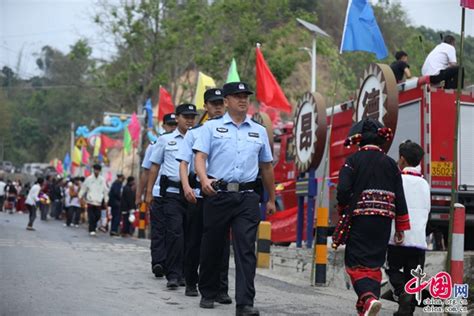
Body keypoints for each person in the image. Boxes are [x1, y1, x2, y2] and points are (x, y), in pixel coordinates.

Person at [193, 82, 276, 315]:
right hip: (217, 194)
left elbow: (267, 167)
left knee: (246, 249)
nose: (242, 100)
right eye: (237, 96)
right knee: (212, 245)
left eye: (245, 96)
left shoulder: (258, 131)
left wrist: (271, 198)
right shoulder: (211, 128)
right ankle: (208, 291)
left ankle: (245, 303)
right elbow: (200, 157)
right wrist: (203, 179)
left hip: (248, 197)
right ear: (226, 101)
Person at [336, 118, 410, 316]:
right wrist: (401, 227)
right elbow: (400, 197)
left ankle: (368, 298)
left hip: (360, 219)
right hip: (384, 222)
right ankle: (367, 305)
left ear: (359, 140)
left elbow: (342, 191)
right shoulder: (391, 164)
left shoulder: (352, 162)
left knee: (356, 262)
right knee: (374, 262)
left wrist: (344, 208)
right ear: (380, 140)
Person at [176, 88, 231, 301]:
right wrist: (186, 188)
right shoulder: (196, 132)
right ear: (205, 106)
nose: (217, 107)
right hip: (198, 194)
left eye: (220, 103)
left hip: (221, 196)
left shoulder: (233, 129)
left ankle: (221, 289)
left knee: (222, 244)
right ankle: (191, 280)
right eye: (213, 103)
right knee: (196, 241)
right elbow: (184, 163)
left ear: (226, 103)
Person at [146, 103, 198, 289]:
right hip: (172, 195)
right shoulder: (165, 140)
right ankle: (173, 275)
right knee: (175, 233)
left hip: (193, 194)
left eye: (193, 116)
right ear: (177, 118)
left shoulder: (200, 138)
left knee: (190, 235)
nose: (190, 120)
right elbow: (154, 167)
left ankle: (186, 273)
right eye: (186, 116)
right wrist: (149, 192)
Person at [386, 141, 430, 316]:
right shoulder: (424, 184)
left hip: (398, 235)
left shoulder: (396, 180)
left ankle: (402, 292)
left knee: (393, 269)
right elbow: (427, 210)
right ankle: (406, 309)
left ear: (402, 159)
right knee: (414, 275)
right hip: (418, 239)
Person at [79, 164, 109, 236]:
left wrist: (106, 200)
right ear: (93, 170)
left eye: (98, 170)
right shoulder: (89, 179)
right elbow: (84, 188)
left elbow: (105, 191)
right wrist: (80, 196)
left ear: (99, 171)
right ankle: (91, 229)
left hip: (98, 202)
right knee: (91, 216)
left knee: (98, 216)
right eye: (95, 170)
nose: (96, 171)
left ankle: (93, 226)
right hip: (90, 201)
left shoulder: (102, 180)